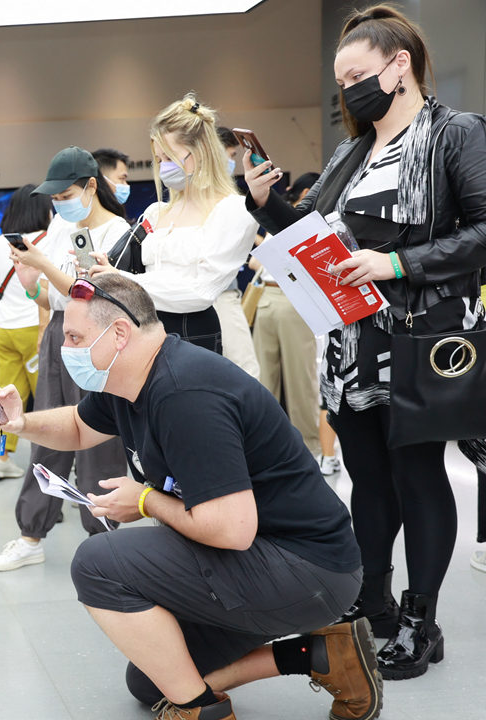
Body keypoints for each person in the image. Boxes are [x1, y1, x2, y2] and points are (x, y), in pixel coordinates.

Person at [0, 274, 380, 720]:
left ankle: (200, 712)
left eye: (75, 337)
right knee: (152, 678)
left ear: (118, 334)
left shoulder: (185, 394)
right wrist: (20, 423)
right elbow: (77, 426)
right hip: (267, 558)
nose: (65, 348)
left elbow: (232, 528)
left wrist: (146, 501)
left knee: (97, 562)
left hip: (307, 569)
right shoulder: (128, 381)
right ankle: (322, 655)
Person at [243, 4, 486, 680]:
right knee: (369, 480)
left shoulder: (456, 135)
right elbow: (317, 235)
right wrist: (267, 203)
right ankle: (370, 604)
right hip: (354, 343)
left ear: (398, 64)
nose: (348, 89)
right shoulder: (355, 152)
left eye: (356, 74)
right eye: (341, 80)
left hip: (422, 338)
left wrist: (399, 263)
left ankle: (421, 619)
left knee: (417, 475)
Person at [0, 146, 128, 572]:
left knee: (98, 441)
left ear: (90, 186)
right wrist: (32, 283)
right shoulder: (64, 231)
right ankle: (31, 534)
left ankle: (103, 540)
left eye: (65, 195)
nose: (59, 205)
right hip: (58, 338)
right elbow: (56, 296)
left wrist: (44, 264)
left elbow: (94, 294)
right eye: (55, 198)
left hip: (99, 340)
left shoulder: (118, 232)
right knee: (46, 430)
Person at [90, 96, 259, 357]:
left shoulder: (233, 210)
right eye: (159, 160)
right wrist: (110, 271)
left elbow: (200, 291)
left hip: (192, 339)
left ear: (202, 151)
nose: (164, 167)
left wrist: (124, 281)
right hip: (143, 334)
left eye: (170, 158)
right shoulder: (157, 212)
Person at [249, 173, 322, 458]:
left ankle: (310, 449)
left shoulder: (312, 220)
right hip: (269, 296)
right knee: (265, 380)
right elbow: (258, 261)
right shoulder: (281, 219)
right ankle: (272, 450)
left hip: (292, 297)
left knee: (299, 379)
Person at [0, 185, 54, 479]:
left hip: (5, 330)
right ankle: (52, 461)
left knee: (4, 400)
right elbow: (45, 288)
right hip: (33, 330)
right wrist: (43, 332)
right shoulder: (44, 241)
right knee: (49, 400)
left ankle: (0, 456)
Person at [209, 127, 261, 378]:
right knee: (246, 372)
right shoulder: (220, 198)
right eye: (229, 155)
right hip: (218, 297)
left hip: (215, 295)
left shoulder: (226, 198)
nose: (232, 163)